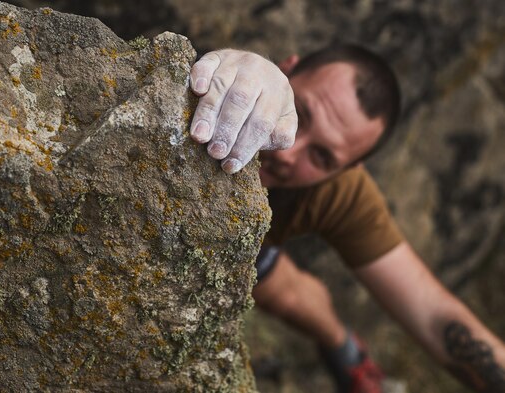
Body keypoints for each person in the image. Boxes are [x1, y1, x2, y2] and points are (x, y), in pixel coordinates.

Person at [188, 44, 505, 393]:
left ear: (349, 168)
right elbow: (229, 74)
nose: (289, 150)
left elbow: (433, 314)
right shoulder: (249, 81)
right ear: (288, 69)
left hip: (254, 252)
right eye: (301, 113)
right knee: (280, 288)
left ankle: (343, 348)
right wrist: (244, 70)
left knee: (289, 297)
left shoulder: (340, 193)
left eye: (322, 156)